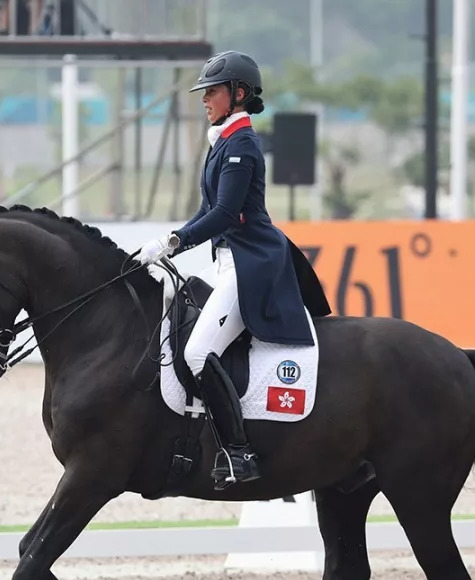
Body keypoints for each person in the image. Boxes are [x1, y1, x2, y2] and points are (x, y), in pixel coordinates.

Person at [135, 50, 331, 491]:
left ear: (238, 94)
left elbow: (224, 213)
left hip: (251, 263)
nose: (204, 99)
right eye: (203, 92)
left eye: (212, 91)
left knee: (198, 353)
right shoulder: (222, 141)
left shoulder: (241, 144)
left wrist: (174, 241)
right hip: (228, 261)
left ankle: (239, 454)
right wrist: (176, 238)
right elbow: (208, 209)